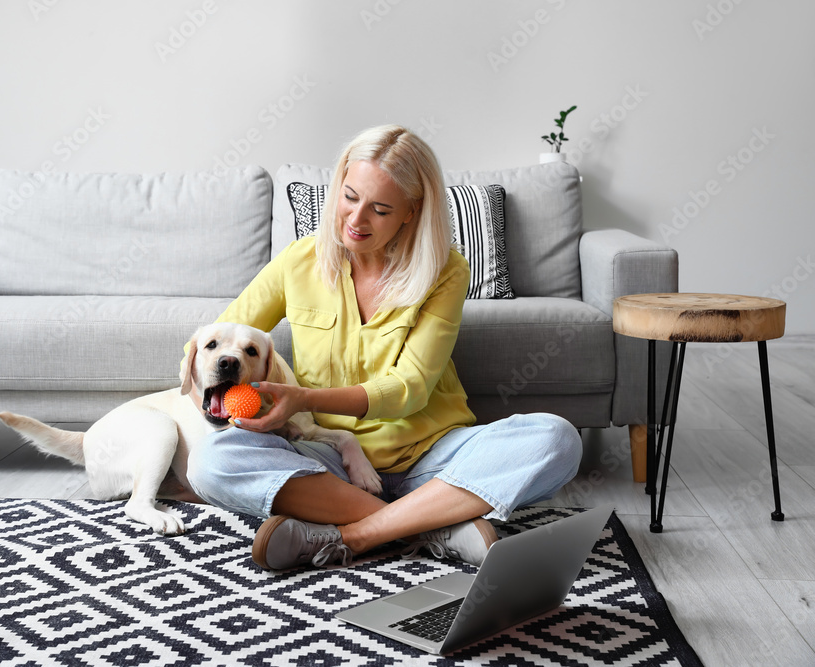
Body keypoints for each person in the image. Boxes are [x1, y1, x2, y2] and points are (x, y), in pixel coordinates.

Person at [185, 125, 582, 570]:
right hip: (331, 462)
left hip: (433, 459)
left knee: (557, 439)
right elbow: (212, 339)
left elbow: (409, 387)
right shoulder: (298, 262)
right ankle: (432, 528)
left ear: (411, 212)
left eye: (379, 208)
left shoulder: (444, 272)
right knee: (210, 462)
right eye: (350, 196)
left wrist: (306, 398)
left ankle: (357, 534)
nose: (356, 220)